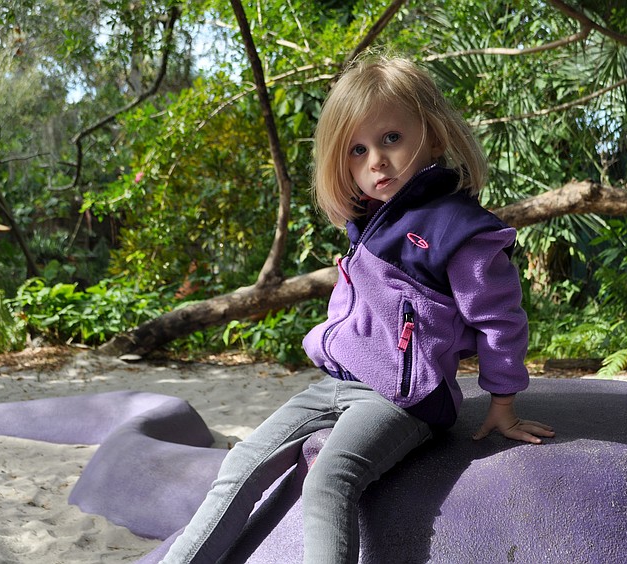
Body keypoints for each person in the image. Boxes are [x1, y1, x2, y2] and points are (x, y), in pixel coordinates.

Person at [159, 53, 554, 564]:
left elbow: (498, 318)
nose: (376, 161)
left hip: (401, 398)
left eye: (391, 138)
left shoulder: (458, 227)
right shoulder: (371, 221)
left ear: (432, 135)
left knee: (328, 481)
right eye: (357, 150)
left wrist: (503, 400)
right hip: (337, 381)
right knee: (242, 463)